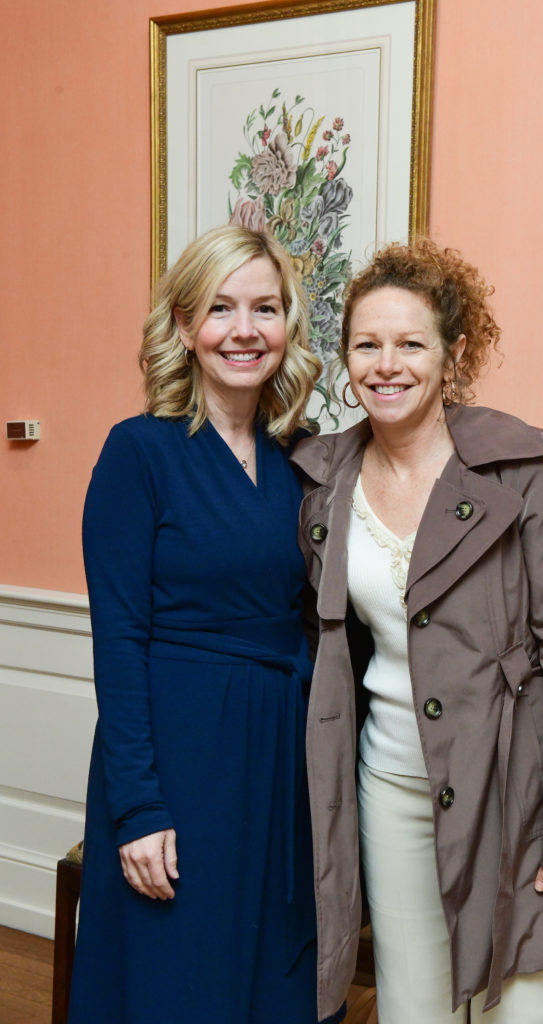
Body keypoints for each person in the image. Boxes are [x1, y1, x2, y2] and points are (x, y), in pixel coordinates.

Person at [290, 239, 543, 1023]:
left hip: (516, 794)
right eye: (366, 344)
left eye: (410, 343)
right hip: (388, 790)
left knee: (522, 1005)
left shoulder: (521, 463)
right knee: (412, 1006)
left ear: (452, 353)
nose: (385, 365)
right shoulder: (322, 480)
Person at [69, 225, 345, 1024]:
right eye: (220, 308)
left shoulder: (303, 458)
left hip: (280, 753)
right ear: (184, 328)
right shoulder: (138, 452)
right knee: (176, 977)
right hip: (178, 757)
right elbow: (118, 640)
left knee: (268, 972)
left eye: (264, 308)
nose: (244, 329)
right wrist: (139, 808)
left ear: (288, 325)